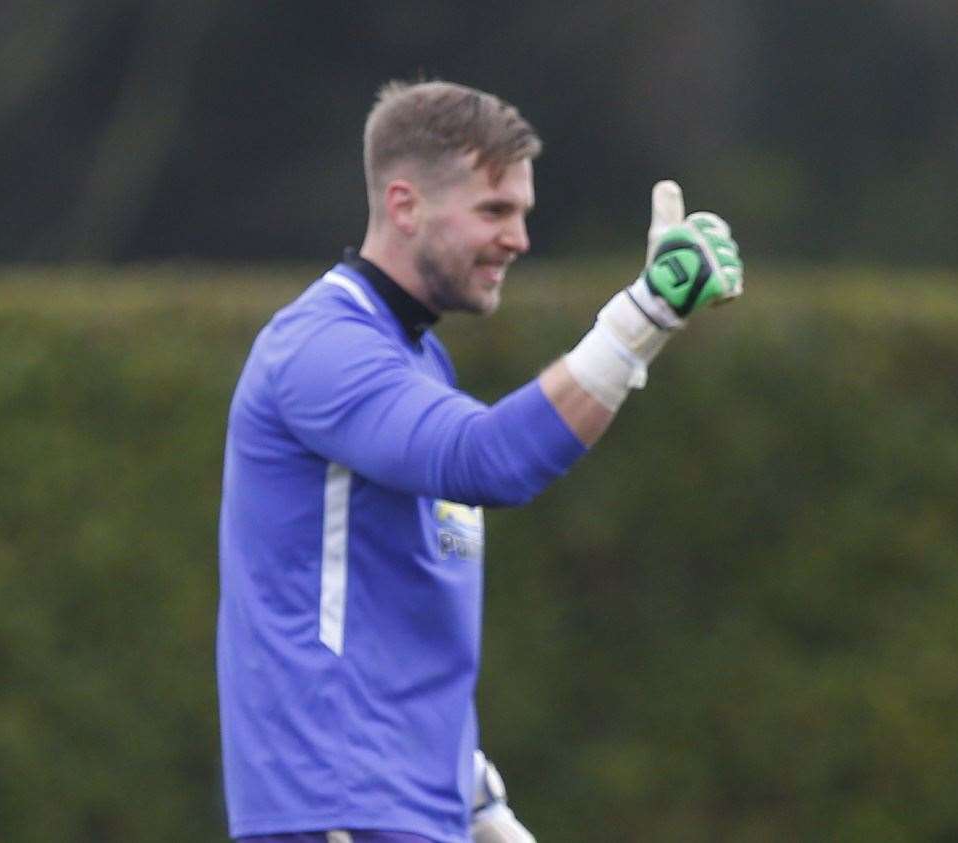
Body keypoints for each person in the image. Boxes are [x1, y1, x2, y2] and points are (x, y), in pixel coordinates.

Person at [216, 79, 743, 843]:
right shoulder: (321, 349)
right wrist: (646, 313)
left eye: (522, 213)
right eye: (495, 211)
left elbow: (396, 617)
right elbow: (490, 458)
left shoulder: (418, 360)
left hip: (409, 812)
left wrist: (475, 797)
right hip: (342, 813)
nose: (519, 239)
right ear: (404, 206)